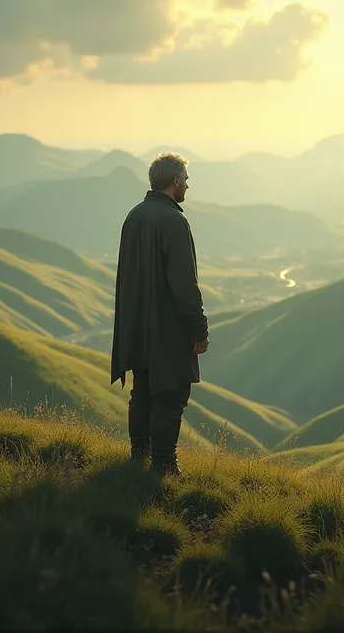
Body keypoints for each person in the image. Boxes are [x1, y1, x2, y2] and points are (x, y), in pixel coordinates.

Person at [110, 152, 209, 475]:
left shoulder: (134, 216)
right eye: (187, 181)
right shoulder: (175, 222)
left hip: (136, 322)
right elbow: (185, 285)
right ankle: (164, 465)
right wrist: (198, 329)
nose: (188, 187)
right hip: (166, 327)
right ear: (175, 181)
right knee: (171, 393)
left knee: (142, 391)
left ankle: (138, 458)